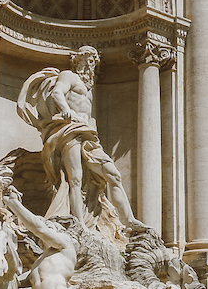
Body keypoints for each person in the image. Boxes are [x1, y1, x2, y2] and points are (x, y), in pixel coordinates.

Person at [17, 46, 141, 230]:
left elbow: (89, 115)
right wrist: (66, 109)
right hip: (69, 130)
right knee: (75, 178)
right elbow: (57, 92)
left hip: (87, 135)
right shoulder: (69, 76)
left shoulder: (89, 89)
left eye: (92, 61)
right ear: (77, 62)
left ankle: (129, 221)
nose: (88, 65)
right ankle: (80, 225)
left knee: (113, 174)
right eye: (85, 60)